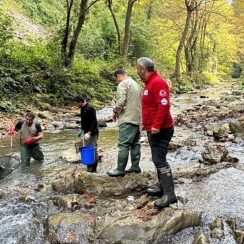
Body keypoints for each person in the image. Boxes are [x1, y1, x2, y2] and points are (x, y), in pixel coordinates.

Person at [136, 57, 177, 209]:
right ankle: (162, 188)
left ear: (143, 69)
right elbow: (150, 108)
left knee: (159, 160)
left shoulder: (158, 82)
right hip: (152, 128)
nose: (137, 72)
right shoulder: (148, 84)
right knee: (157, 159)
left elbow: (164, 105)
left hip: (162, 129)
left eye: (138, 69)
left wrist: (157, 125)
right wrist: (145, 124)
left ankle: (170, 194)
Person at [107, 69, 141, 177]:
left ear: (118, 76)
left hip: (127, 119)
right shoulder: (136, 84)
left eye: (116, 80)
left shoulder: (123, 84)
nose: (116, 82)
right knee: (135, 144)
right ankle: (135, 166)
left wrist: (115, 112)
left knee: (124, 145)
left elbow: (121, 101)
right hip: (137, 119)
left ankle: (120, 169)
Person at [74, 95, 99, 173]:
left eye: (76, 103)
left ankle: (94, 169)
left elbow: (94, 122)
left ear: (81, 102)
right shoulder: (82, 109)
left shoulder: (90, 108)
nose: (76, 105)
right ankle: (89, 167)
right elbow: (83, 120)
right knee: (87, 148)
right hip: (85, 132)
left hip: (92, 133)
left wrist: (90, 132)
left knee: (93, 149)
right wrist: (81, 129)